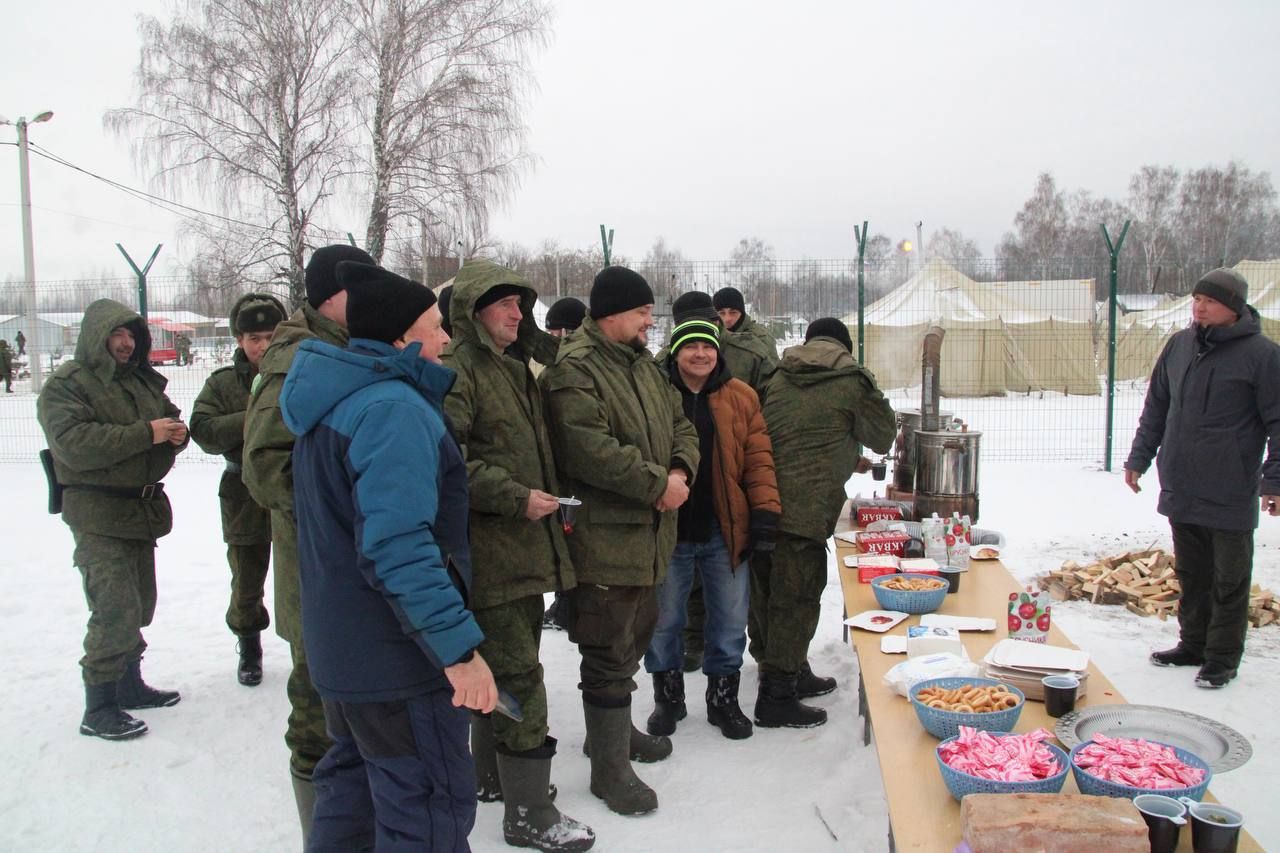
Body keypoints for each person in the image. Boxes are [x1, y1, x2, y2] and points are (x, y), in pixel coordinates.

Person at [279, 261, 498, 851]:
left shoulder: (337, 399)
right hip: (397, 662)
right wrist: (457, 652)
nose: (447, 337)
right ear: (402, 338)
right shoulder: (391, 410)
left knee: (352, 805)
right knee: (425, 813)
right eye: (435, 324)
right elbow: (398, 547)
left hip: (345, 655)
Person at [441, 260, 594, 851]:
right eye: (504, 304)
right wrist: (514, 497)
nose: (517, 314)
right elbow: (449, 461)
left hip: (522, 550)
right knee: (521, 679)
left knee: (507, 670)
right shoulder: (462, 369)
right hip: (494, 554)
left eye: (520, 305)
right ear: (474, 311)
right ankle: (529, 813)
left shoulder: (512, 367)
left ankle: (490, 780)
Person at [542, 266, 699, 816]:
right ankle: (610, 773)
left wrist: (680, 470)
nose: (649, 323)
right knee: (608, 652)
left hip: (651, 537)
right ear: (612, 314)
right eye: (641, 314)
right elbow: (588, 449)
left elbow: (682, 426)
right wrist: (659, 485)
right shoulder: (576, 371)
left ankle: (614, 735)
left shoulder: (645, 368)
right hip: (605, 541)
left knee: (634, 639)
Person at [242, 243, 374, 842]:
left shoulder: (351, 347)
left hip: (353, 562)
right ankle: (320, 833)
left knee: (355, 708)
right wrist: (338, 505)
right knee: (317, 709)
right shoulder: (296, 355)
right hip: (315, 565)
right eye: (361, 287)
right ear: (330, 297)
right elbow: (264, 464)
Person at [36, 299, 189, 740]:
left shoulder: (139, 381)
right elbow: (75, 444)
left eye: (131, 336)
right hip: (97, 512)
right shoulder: (68, 386)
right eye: (116, 335)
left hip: (140, 510)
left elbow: (169, 418)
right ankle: (99, 706)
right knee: (114, 606)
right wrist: (149, 433)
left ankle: (129, 685)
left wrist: (176, 433)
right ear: (95, 336)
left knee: (139, 602)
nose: (125, 344)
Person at [1125, 268, 1280, 689]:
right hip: (1182, 483)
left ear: (1235, 307)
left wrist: (1274, 482)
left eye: (1209, 300)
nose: (1199, 306)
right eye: (1196, 298)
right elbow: (1156, 407)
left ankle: (1222, 659)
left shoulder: (1263, 356)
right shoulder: (1179, 345)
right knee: (1192, 574)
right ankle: (1192, 644)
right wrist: (1139, 458)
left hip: (1229, 487)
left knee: (1229, 580)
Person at [644, 305, 780, 742]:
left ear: (718, 350)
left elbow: (758, 460)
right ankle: (668, 699)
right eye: (691, 346)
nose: (700, 354)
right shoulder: (655, 391)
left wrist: (763, 513)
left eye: (707, 345)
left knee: (728, 622)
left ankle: (723, 701)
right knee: (664, 623)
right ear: (677, 350)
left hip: (725, 531)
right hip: (669, 530)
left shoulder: (740, 395)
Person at [751, 318, 895, 727]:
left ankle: (787, 668)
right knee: (795, 598)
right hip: (806, 508)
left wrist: (847, 454)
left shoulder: (779, 375)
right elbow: (884, 436)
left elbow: (798, 433)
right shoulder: (851, 379)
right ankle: (776, 696)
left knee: (764, 591)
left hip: (760, 501)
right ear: (844, 347)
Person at [190, 293, 286, 687]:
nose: (261, 346)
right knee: (247, 577)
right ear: (239, 340)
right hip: (242, 492)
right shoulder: (224, 384)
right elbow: (203, 430)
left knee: (304, 573)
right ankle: (250, 646)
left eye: (268, 336)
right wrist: (249, 419)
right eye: (252, 338)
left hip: (289, 487)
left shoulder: (296, 372)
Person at [539, 295, 587, 633]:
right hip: (551, 468)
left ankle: (571, 603)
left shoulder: (578, 365)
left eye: (558, 331)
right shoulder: (543, 363)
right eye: (550, 331)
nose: (553, 338)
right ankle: (563, 601)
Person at [712, 286, 779, 394]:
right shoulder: (713, 336)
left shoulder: (760, 336)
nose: (727, 319)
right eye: (721, 313)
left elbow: (772, 380)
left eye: (733, 312)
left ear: (742, 313)